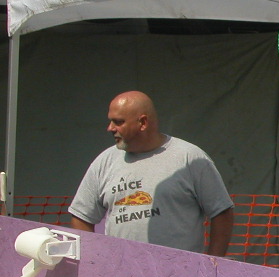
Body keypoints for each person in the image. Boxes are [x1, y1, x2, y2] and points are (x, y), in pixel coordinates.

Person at [69, 91, 235, 255]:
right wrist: (95, 259)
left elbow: (221, 212)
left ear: (143, 122)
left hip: (179, 271)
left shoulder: (190, 158)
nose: (110, 128)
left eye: (118, 122)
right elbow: (82, 217)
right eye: (110, 121)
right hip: (121, 272)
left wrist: (213, 264)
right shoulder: (104, 162)